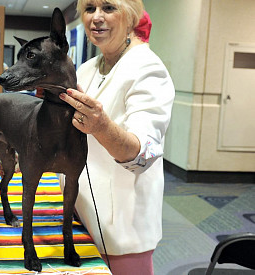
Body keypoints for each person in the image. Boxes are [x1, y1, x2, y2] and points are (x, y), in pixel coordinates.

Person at [59, 0, 174, 274]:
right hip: (80, 215)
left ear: (131, 16)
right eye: (89, 9)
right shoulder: (87, 69)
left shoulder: (148, 69)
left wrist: (102, 127)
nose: (97, 17)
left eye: (108, 8)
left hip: (122, 231)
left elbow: (143, 155)